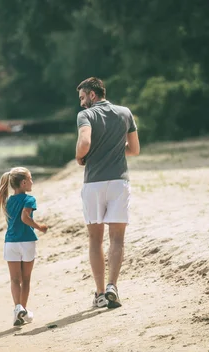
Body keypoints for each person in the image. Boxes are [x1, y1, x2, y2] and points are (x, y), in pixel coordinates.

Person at [75, 77, 140, 309]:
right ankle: (113, 286)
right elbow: (134, 149)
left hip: (94, 184)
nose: (82, 103)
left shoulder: (86, 116)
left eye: (83, 97)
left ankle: (100, 293)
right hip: (119, 183)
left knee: (95, 239)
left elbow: (84, 142)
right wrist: (113, 149)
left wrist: (79, 156)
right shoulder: (125, 113)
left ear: (93, 94)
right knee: (117, 238)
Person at [0, 167, 48, 326]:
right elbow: (25, 217)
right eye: (30, 179)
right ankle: (22, 308)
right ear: (24, 183)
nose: (32, 182)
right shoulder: (29, 199)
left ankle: (18, 310)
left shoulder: (8, 200)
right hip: (26, 241)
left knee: (14, 279)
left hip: (10, 243)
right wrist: (40, 227)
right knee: (25, 279)